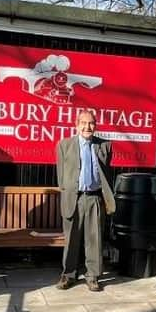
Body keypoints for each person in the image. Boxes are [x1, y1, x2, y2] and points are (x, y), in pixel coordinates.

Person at [55, 110, 115, 291]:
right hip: (74, 198)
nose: (87, 127)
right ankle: (68, 275)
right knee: (71, 239)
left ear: (95, 126)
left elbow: (106, 173)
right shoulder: (64, 145)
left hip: (95, 198)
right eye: (83, 122)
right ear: (76, 124)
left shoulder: (105, 146)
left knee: (94, 239)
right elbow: (61, 175)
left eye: (91, 123)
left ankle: (93, 276)